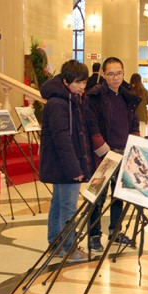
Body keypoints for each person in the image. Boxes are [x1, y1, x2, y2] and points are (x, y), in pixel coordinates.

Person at [40, 59, 93, 262]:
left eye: (84, 82)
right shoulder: (58, 104)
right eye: (79, 82)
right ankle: (69, 248)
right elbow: (62, 138)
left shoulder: (70, 99)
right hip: (64, 165)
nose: (82, 87)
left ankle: (55, 242)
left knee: (58, 204)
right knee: (68, 207)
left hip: (62, 164)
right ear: (66, 81)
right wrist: (75, 168)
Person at [87, 57, 141, 251]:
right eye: (111, 74)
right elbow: (92, 126)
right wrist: (105, 151)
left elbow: (134, 122)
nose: (116, 77)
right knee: (98, 197)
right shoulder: (95, 96)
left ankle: (115, 231)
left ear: (123, 73)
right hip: (103, 154)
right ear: (103, 74)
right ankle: (94, 235)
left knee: (120, 196)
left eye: (119, 73)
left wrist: (133, 144)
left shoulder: (127, 96)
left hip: (125, 151)